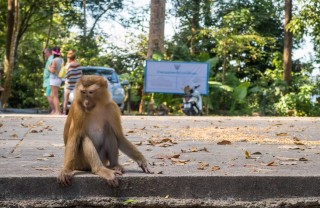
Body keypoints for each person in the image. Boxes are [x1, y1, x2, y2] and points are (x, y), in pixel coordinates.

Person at [62, 50, 82, 115]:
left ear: (69, 59)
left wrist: (66, 67)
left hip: (69, 85)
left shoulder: (69, 66)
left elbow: (67, 75)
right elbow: (80, 75)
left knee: (66, 99)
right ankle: (77, 112)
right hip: (76, 85)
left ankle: (64, 112)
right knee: (76, 99)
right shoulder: (78, 65)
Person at [48, 46, 63, 115]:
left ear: (53, 52)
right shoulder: (61, 60)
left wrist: (49, 67)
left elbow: (52, 71)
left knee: (54, 95)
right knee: (52, 95)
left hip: (54, 79)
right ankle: (56, 111)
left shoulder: (54, 60)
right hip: (59, 79)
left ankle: (57, 111)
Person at [43, 48, 54, 114]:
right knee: (50, 95)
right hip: (48, 80)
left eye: (44, 53)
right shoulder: (49, 59)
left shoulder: (51, 59)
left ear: (48, 52)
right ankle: (54, 110)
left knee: (48, 95)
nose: (44, 55)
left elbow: (52, 69)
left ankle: (54, 110)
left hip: (50, 80)